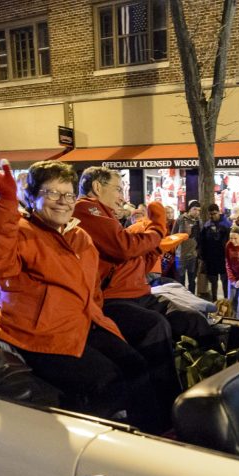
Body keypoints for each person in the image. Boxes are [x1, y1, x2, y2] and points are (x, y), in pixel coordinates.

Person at [0, 154, 157, 429]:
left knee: (137, 364)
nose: (63, 201)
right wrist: (5, 201)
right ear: (32, 198)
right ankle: (95, 445)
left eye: (68, 195)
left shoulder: (78, 236)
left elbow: (92, 287)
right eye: (52, 193)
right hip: (38, 333)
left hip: (81, 323)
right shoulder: (20, 231)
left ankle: (151, 435)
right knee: (107, 381)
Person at [74, 167, 180, 423]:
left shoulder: (106, 217)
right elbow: (123, 248)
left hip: (125, 297)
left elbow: (132, 258)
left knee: (192, 321)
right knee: (154, 328)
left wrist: (154, 248)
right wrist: (156, 232)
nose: (122, 197)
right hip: (103, 303)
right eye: (118, 189)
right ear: (97, 188)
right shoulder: (86, 208)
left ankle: (187, 399)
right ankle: (168, 413)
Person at [197, 203, 231, 301]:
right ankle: (215, 300)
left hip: (223, 258)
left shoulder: (227, 224)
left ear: (219, 212)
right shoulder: (207, 225)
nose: (212, 216)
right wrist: (202, 256)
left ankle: (226, 301)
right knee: (213, 281)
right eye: (210, 214)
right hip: (211, 258)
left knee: (225, 280)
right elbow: (202, 241)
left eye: (214, 213)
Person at [172, 199, 201, 292]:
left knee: (192, 280)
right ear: (189, 209)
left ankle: (192, 299)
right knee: (180, 281)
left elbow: (200, 237)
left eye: (199, 210)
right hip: (180, 256)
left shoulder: (199, 221)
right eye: (195, 209)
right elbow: (173, 234)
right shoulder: (181, 219)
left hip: (192, 255)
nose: (197, 212)